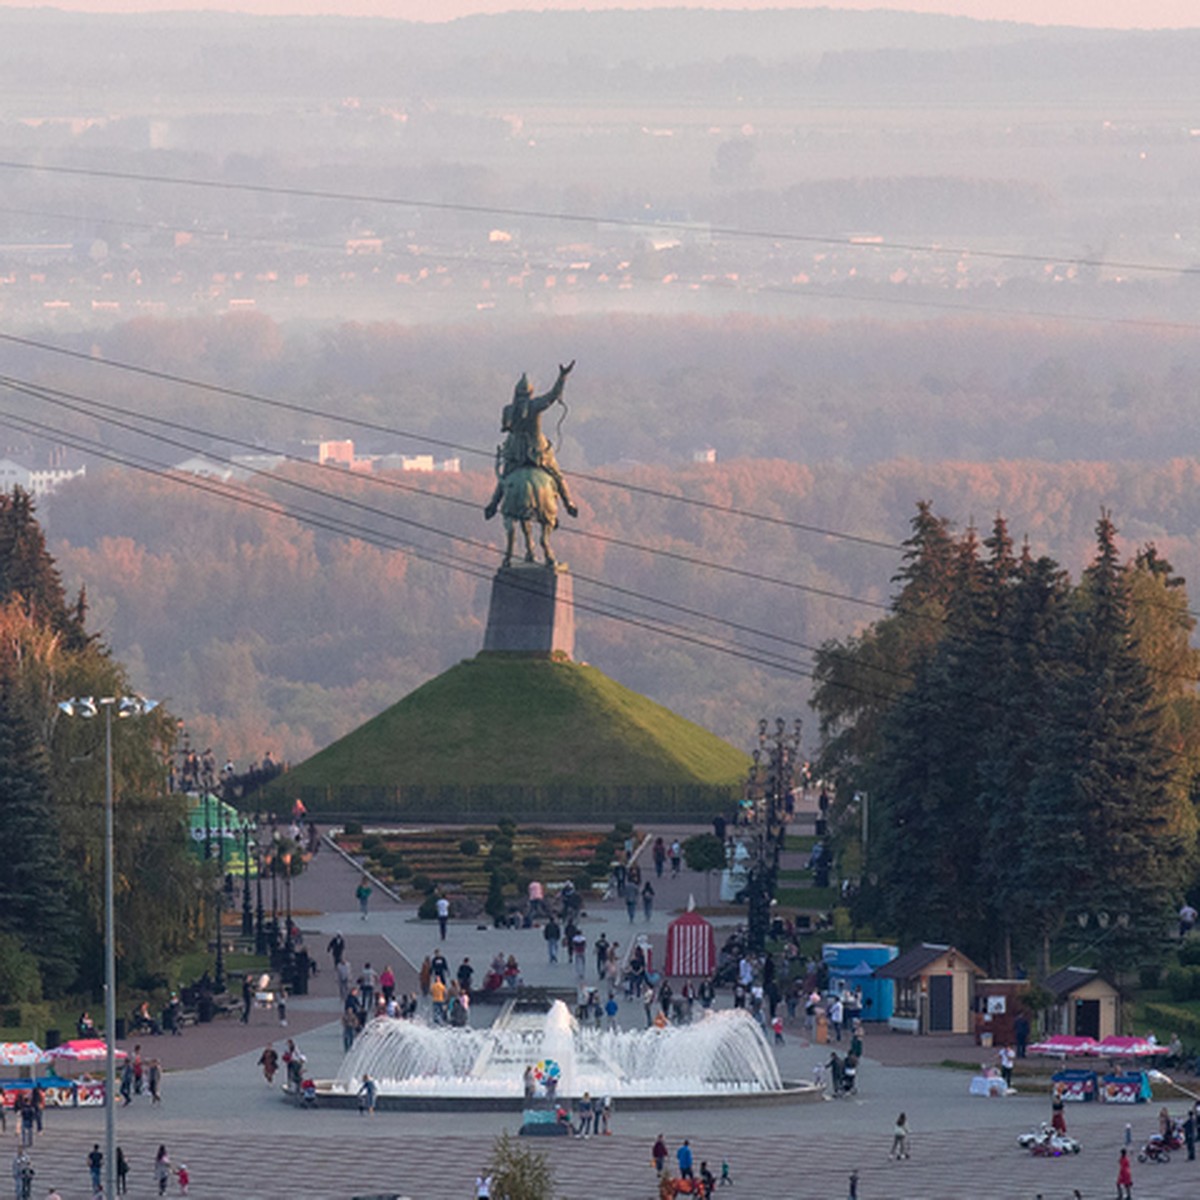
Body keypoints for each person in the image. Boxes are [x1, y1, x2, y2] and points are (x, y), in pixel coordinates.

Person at [483, 361, 578, 520]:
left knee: (505, 478)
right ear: (530, 393)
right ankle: (569, 503)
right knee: (557, 475)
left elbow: (505, 428)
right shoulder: (535, 405)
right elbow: (553, 395)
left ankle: (493, 505)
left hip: (516, 451)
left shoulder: (508, 409)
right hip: (538, 451)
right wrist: (562, 377)